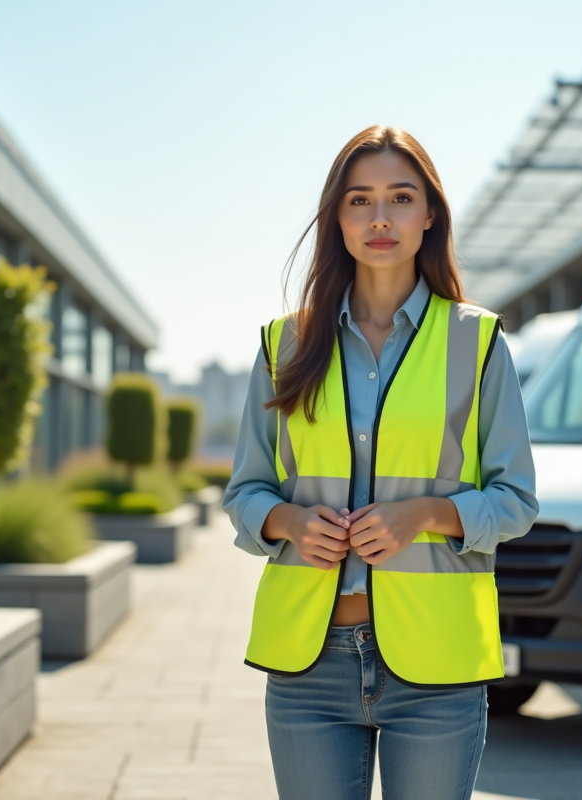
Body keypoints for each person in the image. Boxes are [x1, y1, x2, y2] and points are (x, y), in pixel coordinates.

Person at [223, 125, 538, 800]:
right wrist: (285, 521)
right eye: (360, 201)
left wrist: (427, 513)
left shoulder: (478, 343)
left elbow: (516, 501)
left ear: (430, 216)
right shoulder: (285, 344)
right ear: (337, 219)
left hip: (438, 668)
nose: (381, 217)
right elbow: (245, 490)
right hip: (310, 668)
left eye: (400, 197)